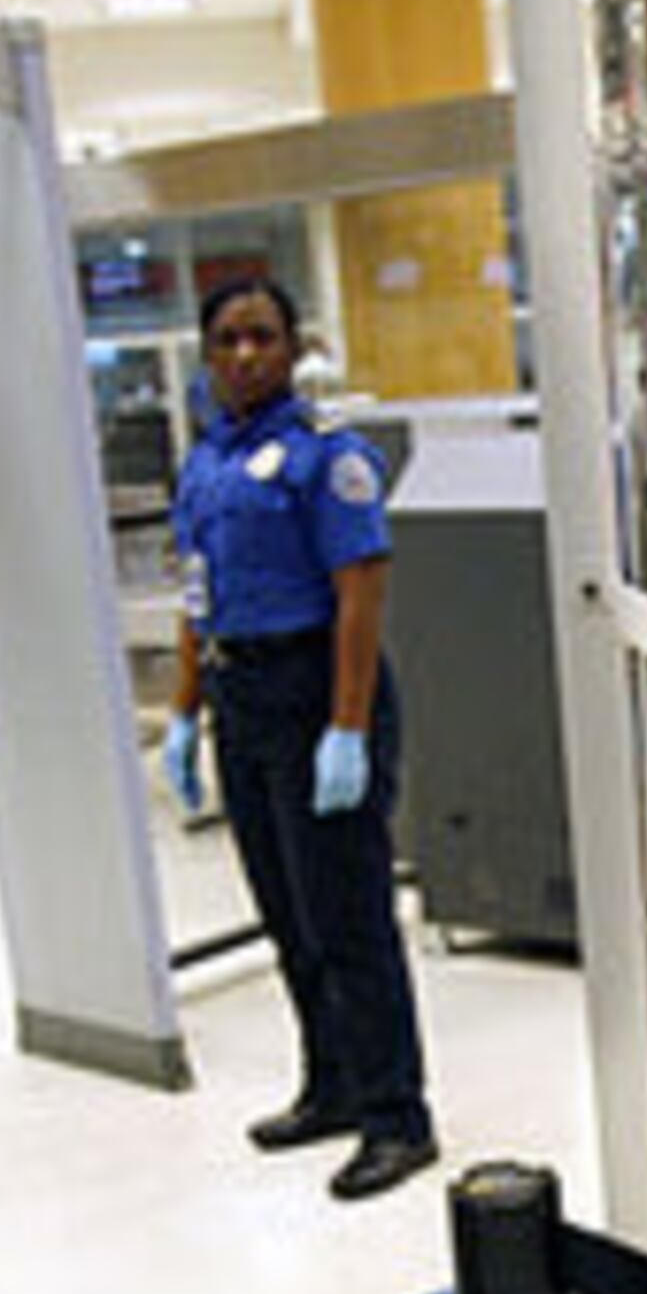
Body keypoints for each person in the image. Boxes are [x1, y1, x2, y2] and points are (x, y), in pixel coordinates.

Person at [160, 276, 441, 1203]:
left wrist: (347, 729)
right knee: (288, 914)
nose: (246, 354)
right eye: (228, 339)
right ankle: (334, 1087)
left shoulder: (329, 455)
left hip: (317, 687)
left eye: (263, 336)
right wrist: (184, 712)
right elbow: (195, 592)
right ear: (208, 354)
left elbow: (361, 594)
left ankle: (397, 1117)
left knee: (349, 918)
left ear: (293, 347)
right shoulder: (206, 463)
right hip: (240, 695)